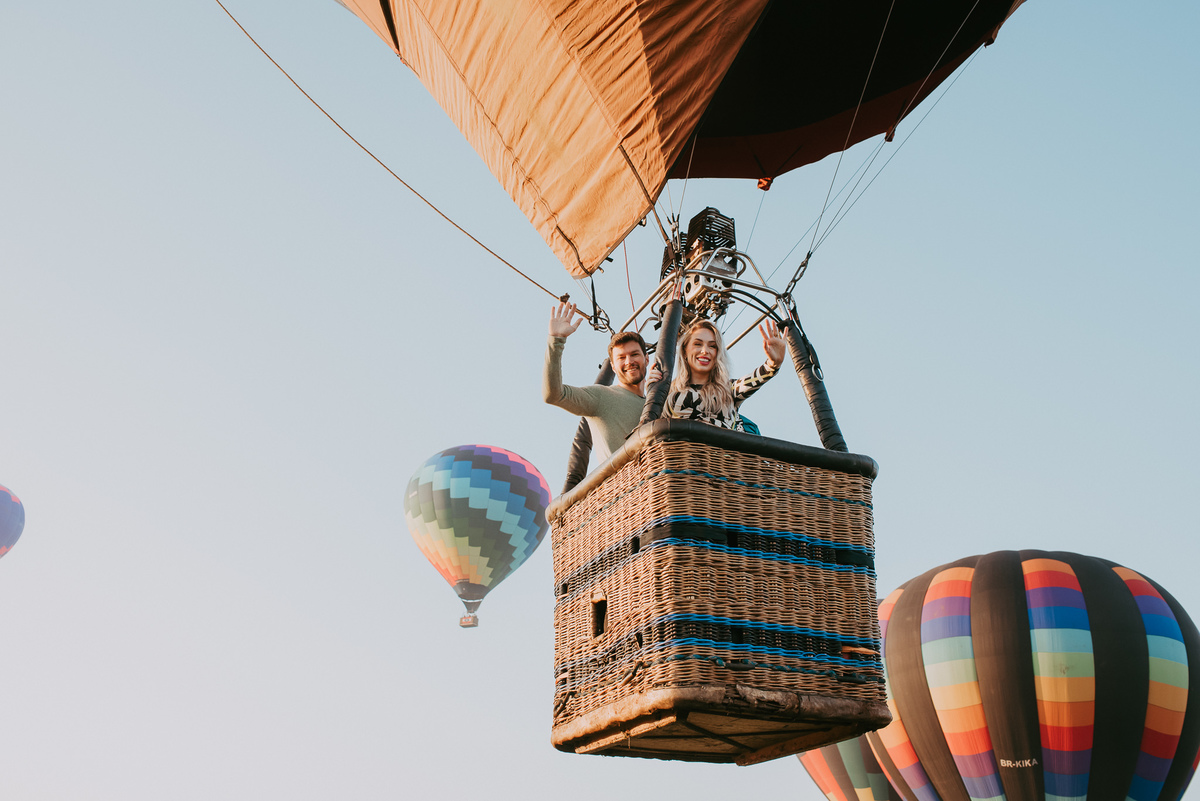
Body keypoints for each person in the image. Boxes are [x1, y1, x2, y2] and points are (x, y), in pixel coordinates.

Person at [542, 301, 648, 462]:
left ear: (646, 359)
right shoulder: (601, 396)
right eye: (621, 357)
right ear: (612, 366)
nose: (628, 361)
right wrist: (556, 341)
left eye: (634, 354)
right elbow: (553, 394)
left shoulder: (655, 404)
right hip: (626, 485)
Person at [654, 319, 786, 430]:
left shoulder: (728, 389)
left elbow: (752, 380)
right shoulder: (668, 391)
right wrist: (653, 385)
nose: (705, 351)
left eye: (712, 346)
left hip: (722, 459)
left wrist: (772, 364)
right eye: (698, 344)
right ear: (684, 351)